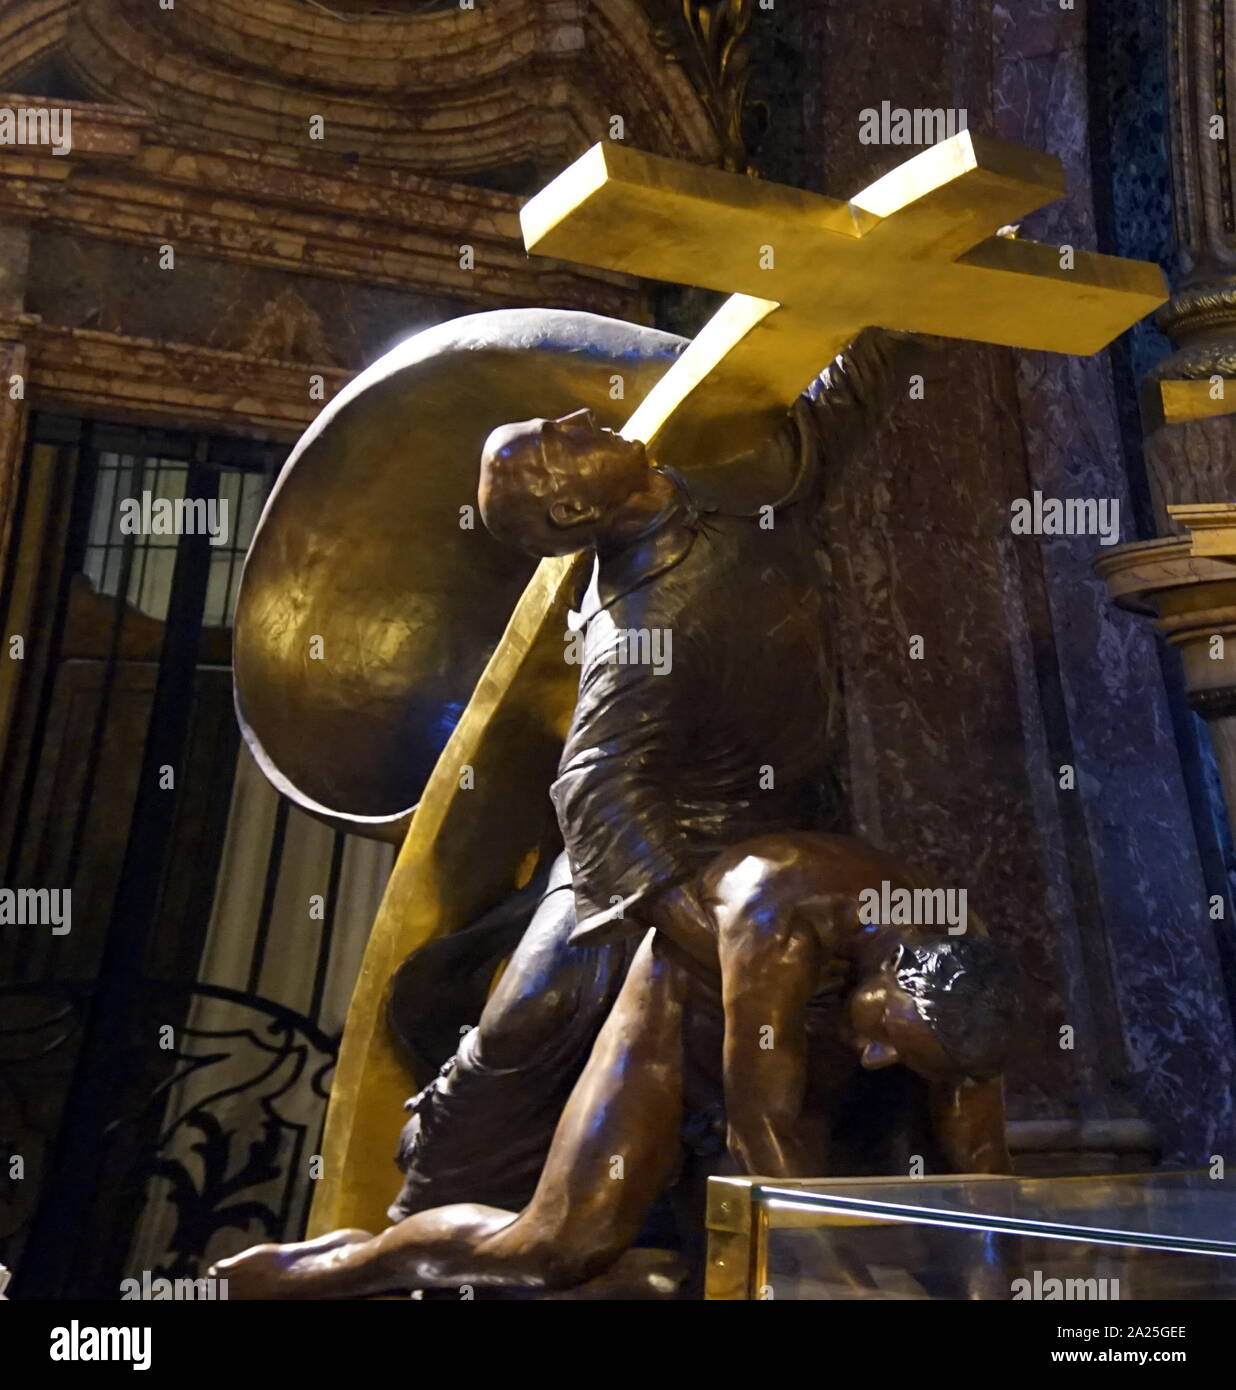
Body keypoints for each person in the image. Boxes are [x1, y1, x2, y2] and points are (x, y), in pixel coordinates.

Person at [213, 829, 1020, 1298]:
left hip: (790, 1046)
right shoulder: (781, 906)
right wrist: (836, 1277)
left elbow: (982, 1158)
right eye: (884, 1037)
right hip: (680, 1017)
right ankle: (333, 1267)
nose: (879, 1058)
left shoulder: (956, 970)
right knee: (559, 1246)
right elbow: (760, 1119)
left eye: (899, 1055)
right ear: (888, 978)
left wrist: (1003, 1283)